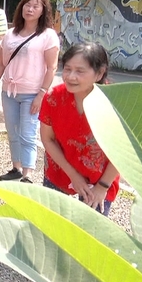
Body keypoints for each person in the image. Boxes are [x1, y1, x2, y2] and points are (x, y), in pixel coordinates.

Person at [0, 0, 60, 183]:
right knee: (13, 131)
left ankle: (28, 174)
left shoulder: (48, 36)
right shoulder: (10, 34)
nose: (30, 9)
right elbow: (1, 64)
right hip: (9, 92)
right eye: (27, 5)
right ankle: (16, 168)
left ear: (43, 11)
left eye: (36, 6)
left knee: (28, 133)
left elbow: (52, 67)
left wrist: (41, 94)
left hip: (32, 93)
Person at [39, 43, 120, 215]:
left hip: (99, 180)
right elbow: (47, 139)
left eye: (80, 71)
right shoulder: (53, 97)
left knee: (89, 229)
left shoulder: (115, 104)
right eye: (67, 69)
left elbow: (124, 153)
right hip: (60, 171)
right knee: (52, 225)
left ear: (99, 73)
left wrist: (103, 186)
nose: (71, 76)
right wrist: (73, 175)